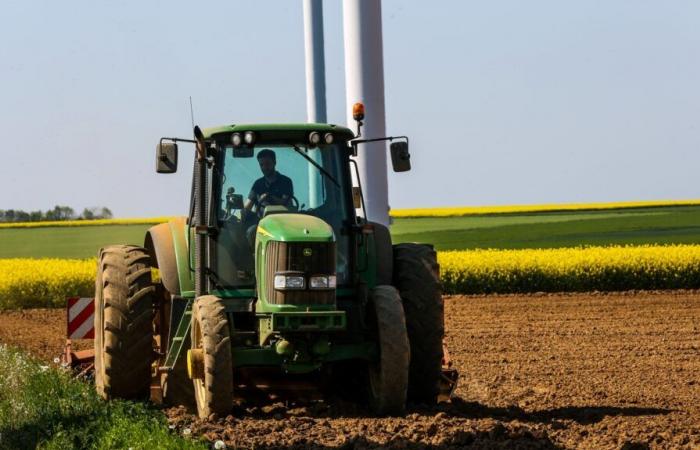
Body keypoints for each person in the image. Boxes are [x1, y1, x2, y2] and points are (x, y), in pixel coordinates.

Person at [243, 149, 294, 218]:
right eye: (261, 165)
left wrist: (269, 197)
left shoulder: (286, 181)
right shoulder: (258, 184)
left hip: (282, 222)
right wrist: (243, 210)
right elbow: (247, 207)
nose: (264, 167)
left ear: (274, 162)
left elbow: (286, 203)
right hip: (260, 224)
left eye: (267, 164)